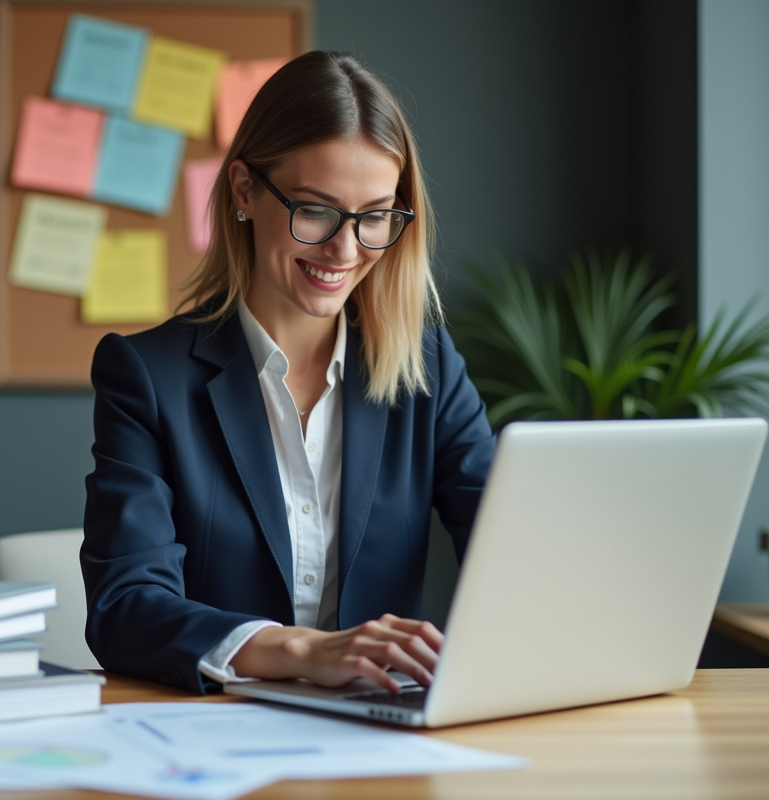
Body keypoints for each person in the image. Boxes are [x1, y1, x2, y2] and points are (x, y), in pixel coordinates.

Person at [81, 50, 496, 695]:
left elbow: (510, 551)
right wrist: (302, 650)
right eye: (316, 210)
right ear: (245, 190)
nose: (345, 249)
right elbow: (124, 608)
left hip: (382, 739)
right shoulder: (148, 377)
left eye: (375, 216)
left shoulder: (428, 367)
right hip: (212, 742)